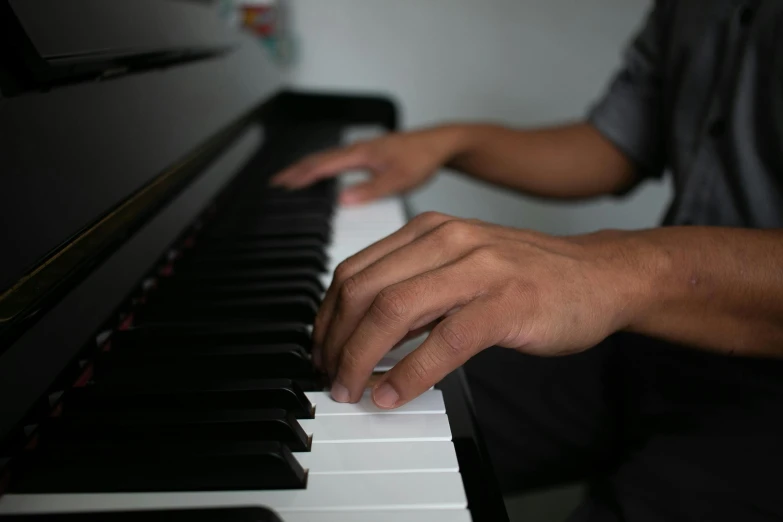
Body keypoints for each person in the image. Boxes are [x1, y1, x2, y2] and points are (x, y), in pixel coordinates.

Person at [271, 2, 783, 521]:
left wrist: (618, 270)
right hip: (651, 337)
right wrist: (452, 141)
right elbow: (618, 146)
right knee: (355, 416)